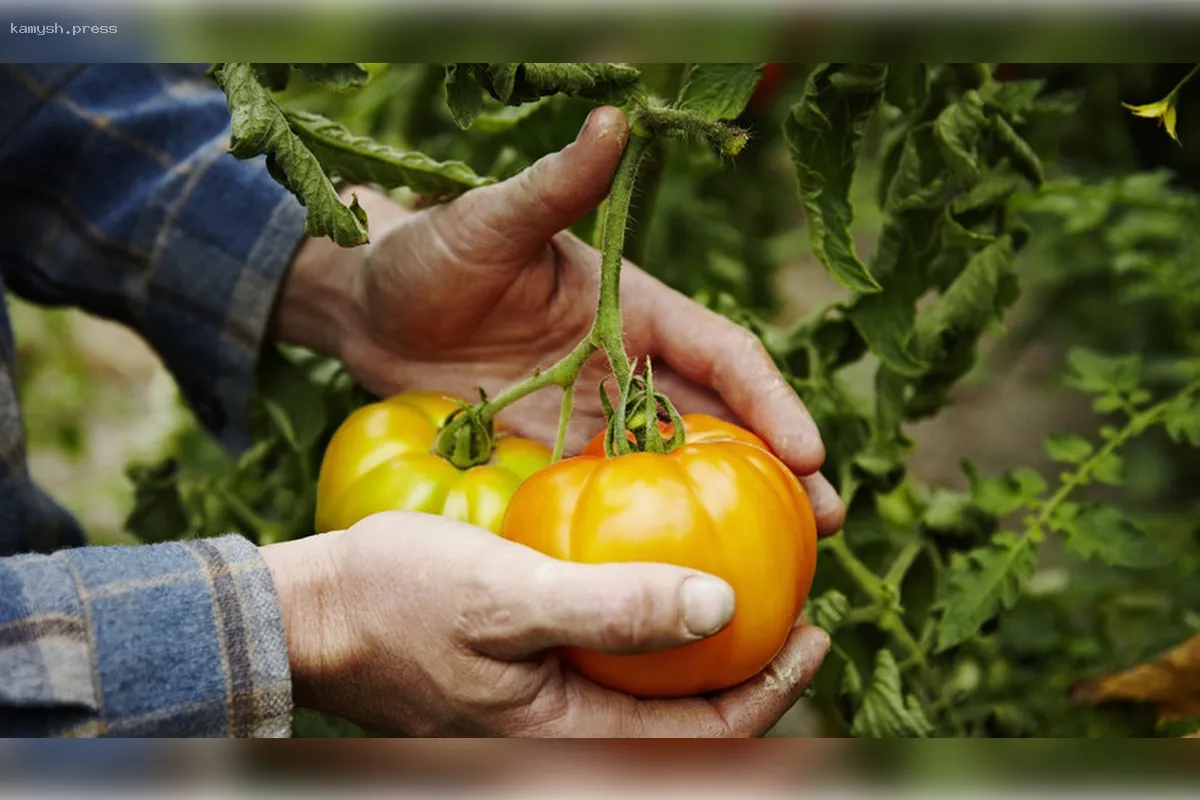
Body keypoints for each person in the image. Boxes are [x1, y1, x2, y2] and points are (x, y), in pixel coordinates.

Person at [0, 64, 845, 737]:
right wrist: (312, 622)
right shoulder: (561, 494)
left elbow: (38, 91)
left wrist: (353, 286)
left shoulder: (547, 495)